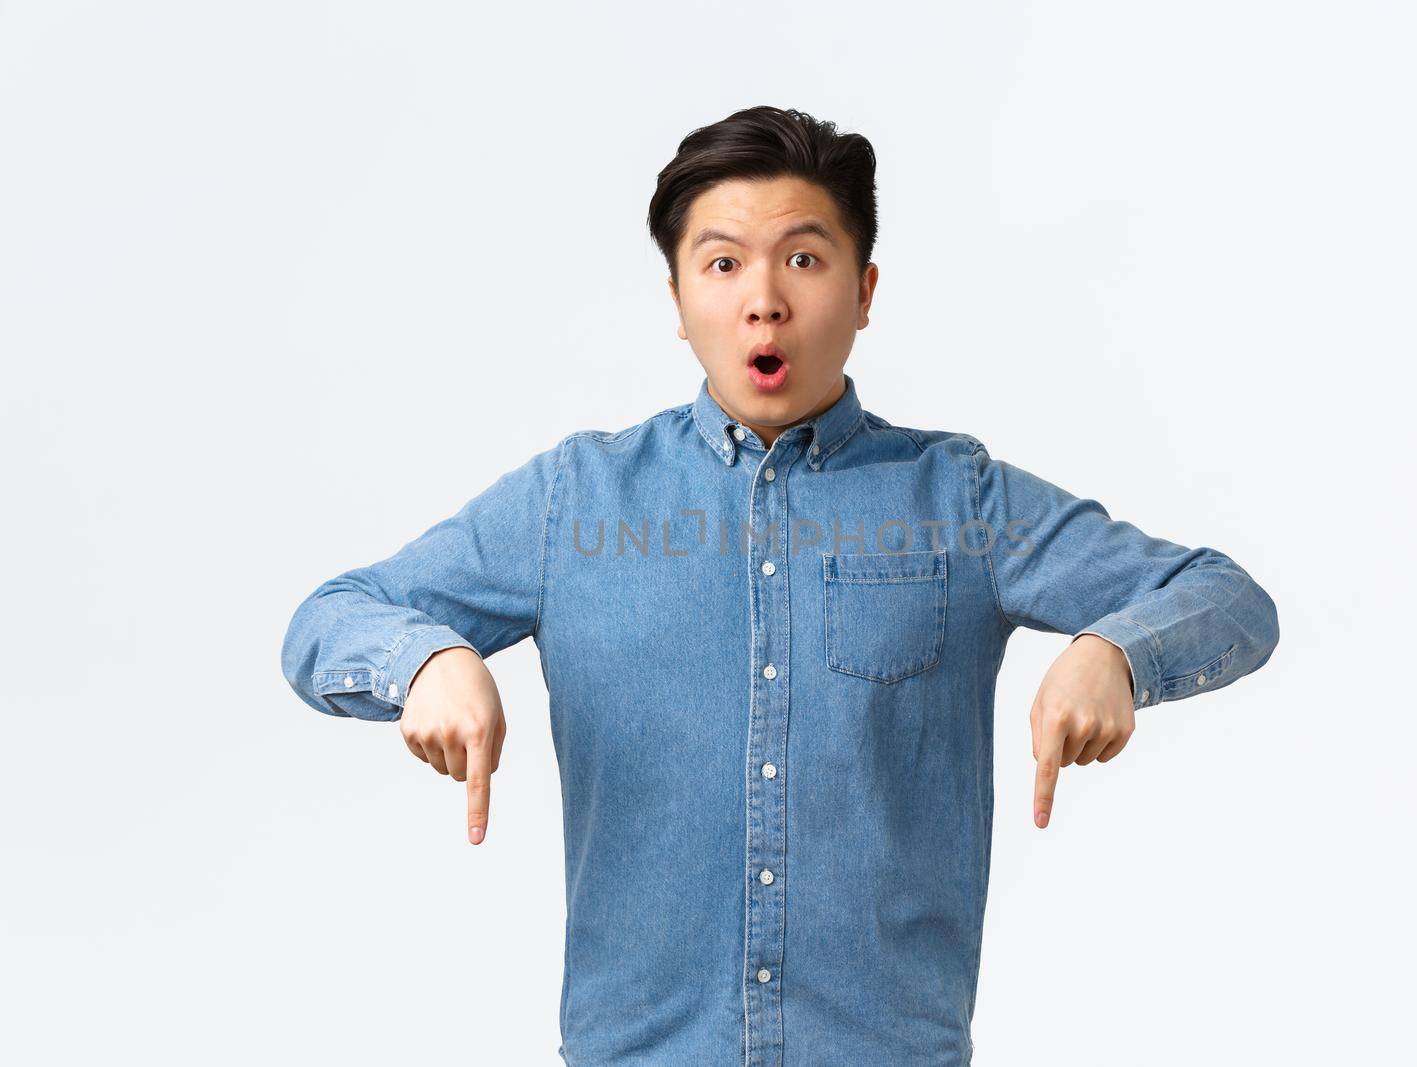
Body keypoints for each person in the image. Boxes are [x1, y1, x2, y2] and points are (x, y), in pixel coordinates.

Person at [281, 104, 1280, 1067]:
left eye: (803, 258)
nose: (764, 297)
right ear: (677, 301)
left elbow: (1227, 596)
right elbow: (329, 620)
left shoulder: (957, 499)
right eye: (722, 263)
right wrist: (429, 656)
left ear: (865, 289)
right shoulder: (572, 502)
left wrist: (1116, 652)